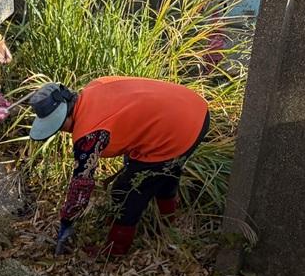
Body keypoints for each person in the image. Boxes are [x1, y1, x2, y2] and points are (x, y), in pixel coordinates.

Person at [27, 77, 210, 256]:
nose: (62, 131)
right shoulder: (95, 87)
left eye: (59, 126)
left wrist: (67, 222)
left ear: (66, 115)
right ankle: (168, 223)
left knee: (126, 192)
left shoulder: (88, 134)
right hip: (193, 109)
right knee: (163, 174)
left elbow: (81, 185)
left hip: (176, 132)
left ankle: (115, 250)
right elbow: (131, 115)